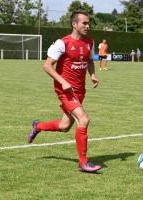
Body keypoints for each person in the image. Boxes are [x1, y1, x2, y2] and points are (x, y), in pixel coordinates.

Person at [28, 11, 101, 173]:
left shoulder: (90, 42)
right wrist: (63, 81)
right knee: (83, 119)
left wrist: (93, 75)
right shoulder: (63, 43)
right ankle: (83, 162)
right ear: (74, 24)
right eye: (84, 23)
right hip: (65, 90)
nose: (88, 26)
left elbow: (89, 61)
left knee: (64, 126)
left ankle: (38, 126)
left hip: (80, 90)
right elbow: (47, 66)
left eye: (89, 23)